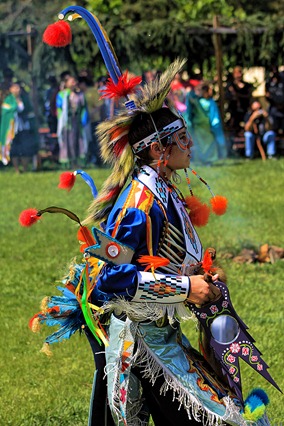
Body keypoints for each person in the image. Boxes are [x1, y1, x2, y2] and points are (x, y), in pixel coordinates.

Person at [26, 7, 273, 426]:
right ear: (158, 150)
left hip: (162, 335)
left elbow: (163, 256)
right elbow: (111, 279)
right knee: (226, 419)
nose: (189, 144)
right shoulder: (140, 203)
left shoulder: (164, 190)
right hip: (141, 345)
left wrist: (202, 276)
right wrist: (184, 286)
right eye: (180, 138)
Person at [184, 82, 227, 165]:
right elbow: (189, 109)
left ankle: (209, 160)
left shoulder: (210, 102)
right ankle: (201, 160)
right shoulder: (197, 100)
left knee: (209, 144)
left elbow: (214, 115)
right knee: (199, 144)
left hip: (207, 127)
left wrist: (215, 126)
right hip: (198, 127)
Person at [0, 82, 38, 171]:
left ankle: (25, 168)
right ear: (10, 90)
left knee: (25, 148)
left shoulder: (24, 99)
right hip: (12, 129)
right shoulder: (8, 100)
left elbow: (29, 111)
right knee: (14, 149)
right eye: (15, 88)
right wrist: (15, 105)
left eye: (18, 88)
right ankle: (17, 169)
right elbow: (6, 112)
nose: (18, 90)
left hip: (23, 127)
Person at [56, 75, 89, 167]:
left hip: (77, 121)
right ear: (66, 83)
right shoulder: (62, 94)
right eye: (71, 81)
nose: (74, 83)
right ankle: (68, 163)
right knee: (67, 141)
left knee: (79, 140)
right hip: (66, 122)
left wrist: (84, 120)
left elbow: (83, 108)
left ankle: (79, 162)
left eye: (74, 81)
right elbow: (59, 108)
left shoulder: (80, 94)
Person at [225, 66, 253, 133]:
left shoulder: (247, 86)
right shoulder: (230, 85)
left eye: (240, 73)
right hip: (234, 112)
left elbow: (248, 96)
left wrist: (237, 94)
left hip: (244, 110)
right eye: (236, 73)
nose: (238, 75)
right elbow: (227, 97)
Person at [265, 66, 284, 135]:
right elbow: (267, 95)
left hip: (282, 108)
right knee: (273, 128)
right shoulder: (269, 82)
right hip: (274, 108)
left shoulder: (282, 80)